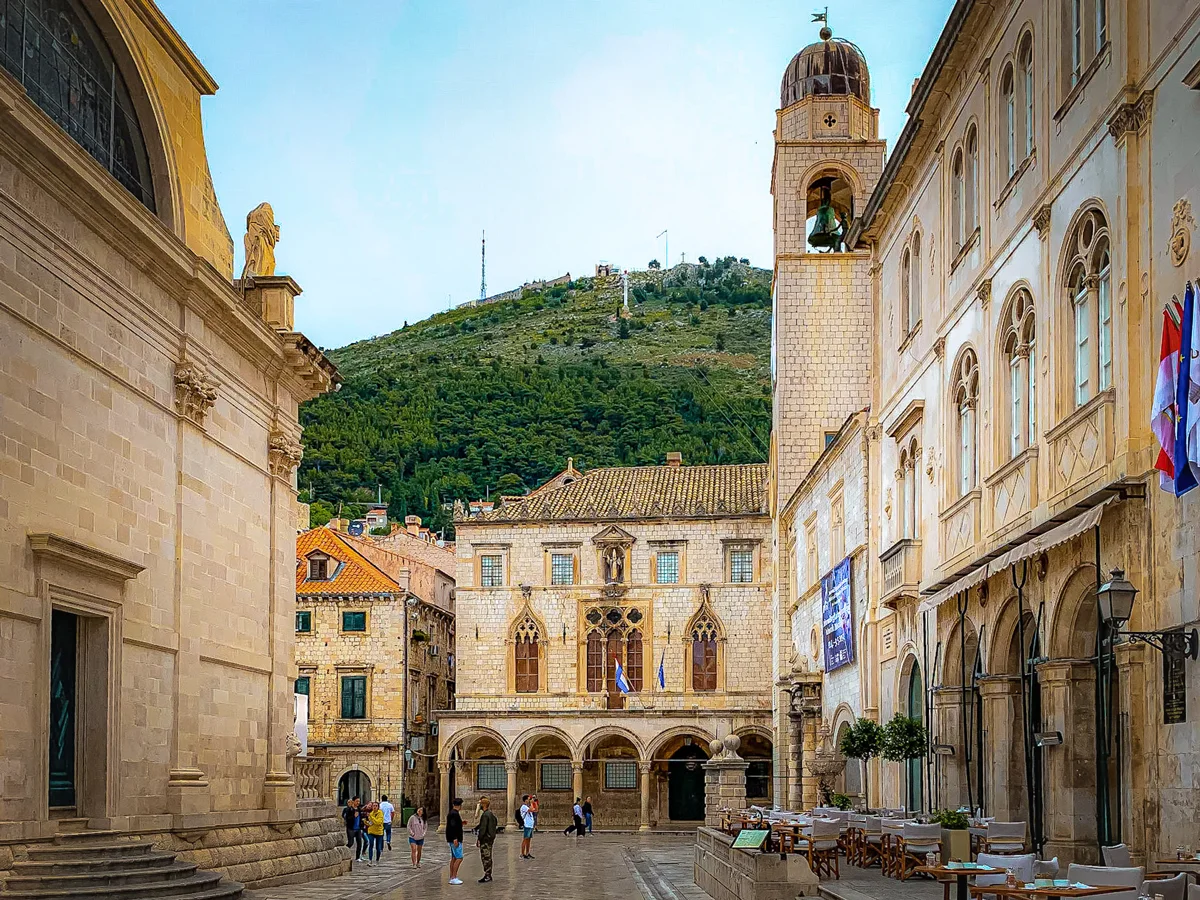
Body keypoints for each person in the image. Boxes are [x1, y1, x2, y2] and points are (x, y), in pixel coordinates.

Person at [476, 796, 498, 883]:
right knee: (488, 856)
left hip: (485, 839)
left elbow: (483, 828)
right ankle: (488, 874)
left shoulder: (485, 815)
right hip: (490, 838)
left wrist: (479, 838)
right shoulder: (491, 814)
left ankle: (487, 874)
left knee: (486, 857)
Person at [445, 797, 465, 885]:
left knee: (454, 858)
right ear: (460, 805)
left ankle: (452, 876)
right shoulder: (454, 814)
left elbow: (454, 824)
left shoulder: (452, 813)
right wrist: (455, 838)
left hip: (452, 838)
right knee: (459, 857)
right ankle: (454, 877)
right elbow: (453, 826)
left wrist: (461, 823)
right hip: (455, 839)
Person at [342, 796, 363, 861]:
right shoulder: (349, 809)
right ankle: (344, 852)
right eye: (357, 801)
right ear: (353, 801)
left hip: (358, 828)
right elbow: (347, 818)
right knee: (350, 843)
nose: (358, 802)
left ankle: (358, 857)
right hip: (351, 828)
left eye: (359, 801)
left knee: (359, 843)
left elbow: (361, 817)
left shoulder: (359, 809)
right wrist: (353, 816)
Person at [365, 802, 385, 866]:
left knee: (378, 847)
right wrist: (365, 822)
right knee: (371, 844)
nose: (374, 807)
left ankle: (377, 860)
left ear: (378, 807)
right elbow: (371, 823)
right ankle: (370, 860)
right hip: (371, 831)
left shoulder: (380, 813)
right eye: (373, 806)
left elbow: (378, 822)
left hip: (379, 832)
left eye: (376, 806)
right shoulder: (371, 813)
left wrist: (371, 817)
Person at [519, 796, 535, 860]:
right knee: (525, 839)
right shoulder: (524, 807)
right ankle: (522, 853)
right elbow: (531, 810)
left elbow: (535, 809)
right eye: (529, 799)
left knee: (529, 840)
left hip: (530, 825)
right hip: (527, 825)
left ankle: (527, 852)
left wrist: (533, 804)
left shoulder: (528, 806)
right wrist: (531, 803)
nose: (530, 800)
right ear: (525, 800)